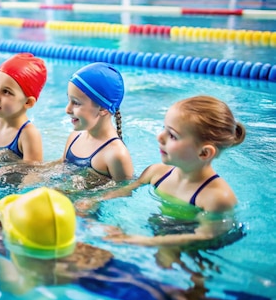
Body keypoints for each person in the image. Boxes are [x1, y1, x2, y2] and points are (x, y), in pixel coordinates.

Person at [0, 187, 276, 300]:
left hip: (120, 287)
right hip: (120, 269)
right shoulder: (79, 244)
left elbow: (16, 290)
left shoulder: (25, 263)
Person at [78, 95, 246, 247]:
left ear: (204, 152)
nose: (160, 136)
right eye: (164, 128)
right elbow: (124, 191)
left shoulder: (217, 198)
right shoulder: (156, 173)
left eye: (172, 135)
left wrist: (143, 241)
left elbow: (205, 236)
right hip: (162, 227)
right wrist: (94, 200)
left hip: (196, 248)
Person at [0, 62, 132, 188]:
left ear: (103, 108)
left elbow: (124, 191)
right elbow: (62, 165)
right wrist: (16, 174)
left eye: (76, 103)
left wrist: (92, 201)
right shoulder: (75, 136)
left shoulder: (116, 155)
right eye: (69, 100)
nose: (67, 109)